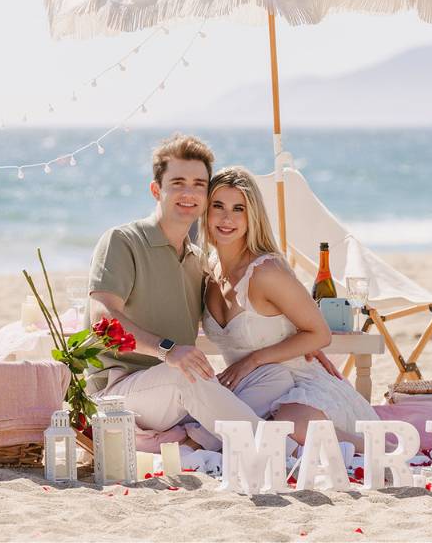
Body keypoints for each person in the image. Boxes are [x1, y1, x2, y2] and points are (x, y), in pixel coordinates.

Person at [86, 134, 307, 451]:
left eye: (199, 185)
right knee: (182, 375)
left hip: (176, 392)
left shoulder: (197, 262)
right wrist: (167, 350)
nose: (188, 193)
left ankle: (196, 439)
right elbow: (102, 319)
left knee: (274, 378)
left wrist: (304, 340)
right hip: (119, 391)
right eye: (177, 182)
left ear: (206, 196)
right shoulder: (123, 241)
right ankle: (280, 451)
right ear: (156, 190)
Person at [201, 166, 378, 452]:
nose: (226, 218)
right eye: (217, 206)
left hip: (301, 387)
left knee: (291, 424)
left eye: (238, 209)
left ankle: (373, 450)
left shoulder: (265, 272)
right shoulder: (206, 269)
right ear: (205, 212)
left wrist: (253, 359)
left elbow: (320, 334)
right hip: (251, 389)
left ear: (252, 217)